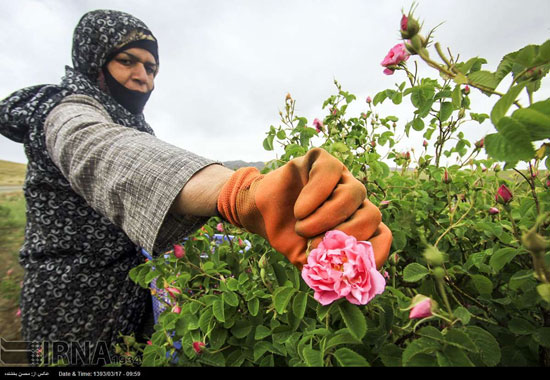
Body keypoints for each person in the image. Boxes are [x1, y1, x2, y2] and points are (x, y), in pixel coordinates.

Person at [0, 9, 392, 365]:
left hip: (128, 301)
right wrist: (240, 193)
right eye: (127, 61)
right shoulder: (65, 112)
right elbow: (106, 154)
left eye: (151, 67)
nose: (143, 76)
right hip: (71, 308)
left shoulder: (128, 124)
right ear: (92, 60)